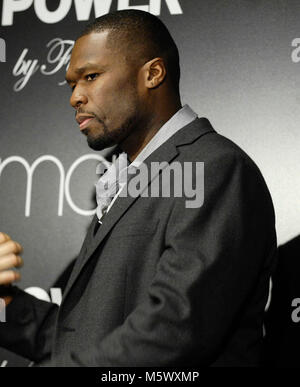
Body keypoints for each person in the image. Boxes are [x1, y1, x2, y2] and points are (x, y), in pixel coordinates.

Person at [0, 10, 277, 367]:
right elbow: (83, 336)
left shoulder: (214, 168)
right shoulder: (127, 175)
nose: (75, 97)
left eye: (91, 76)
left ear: (153, 74)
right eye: (72, 84)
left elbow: (172, 330)